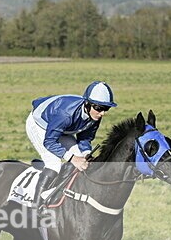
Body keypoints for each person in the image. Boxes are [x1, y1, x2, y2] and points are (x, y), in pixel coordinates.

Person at [26, 81, 117, 210]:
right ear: (87, 104)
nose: (102, 113)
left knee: (81, 161)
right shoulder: (66, 114)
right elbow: (50, 142)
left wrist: (86, 154)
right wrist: (72, 158)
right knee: (54, 164)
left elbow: (85, 138)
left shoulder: (94, 115)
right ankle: (35, 207)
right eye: (99, 108)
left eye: (106, 109)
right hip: (40, 125)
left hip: (63, 128)